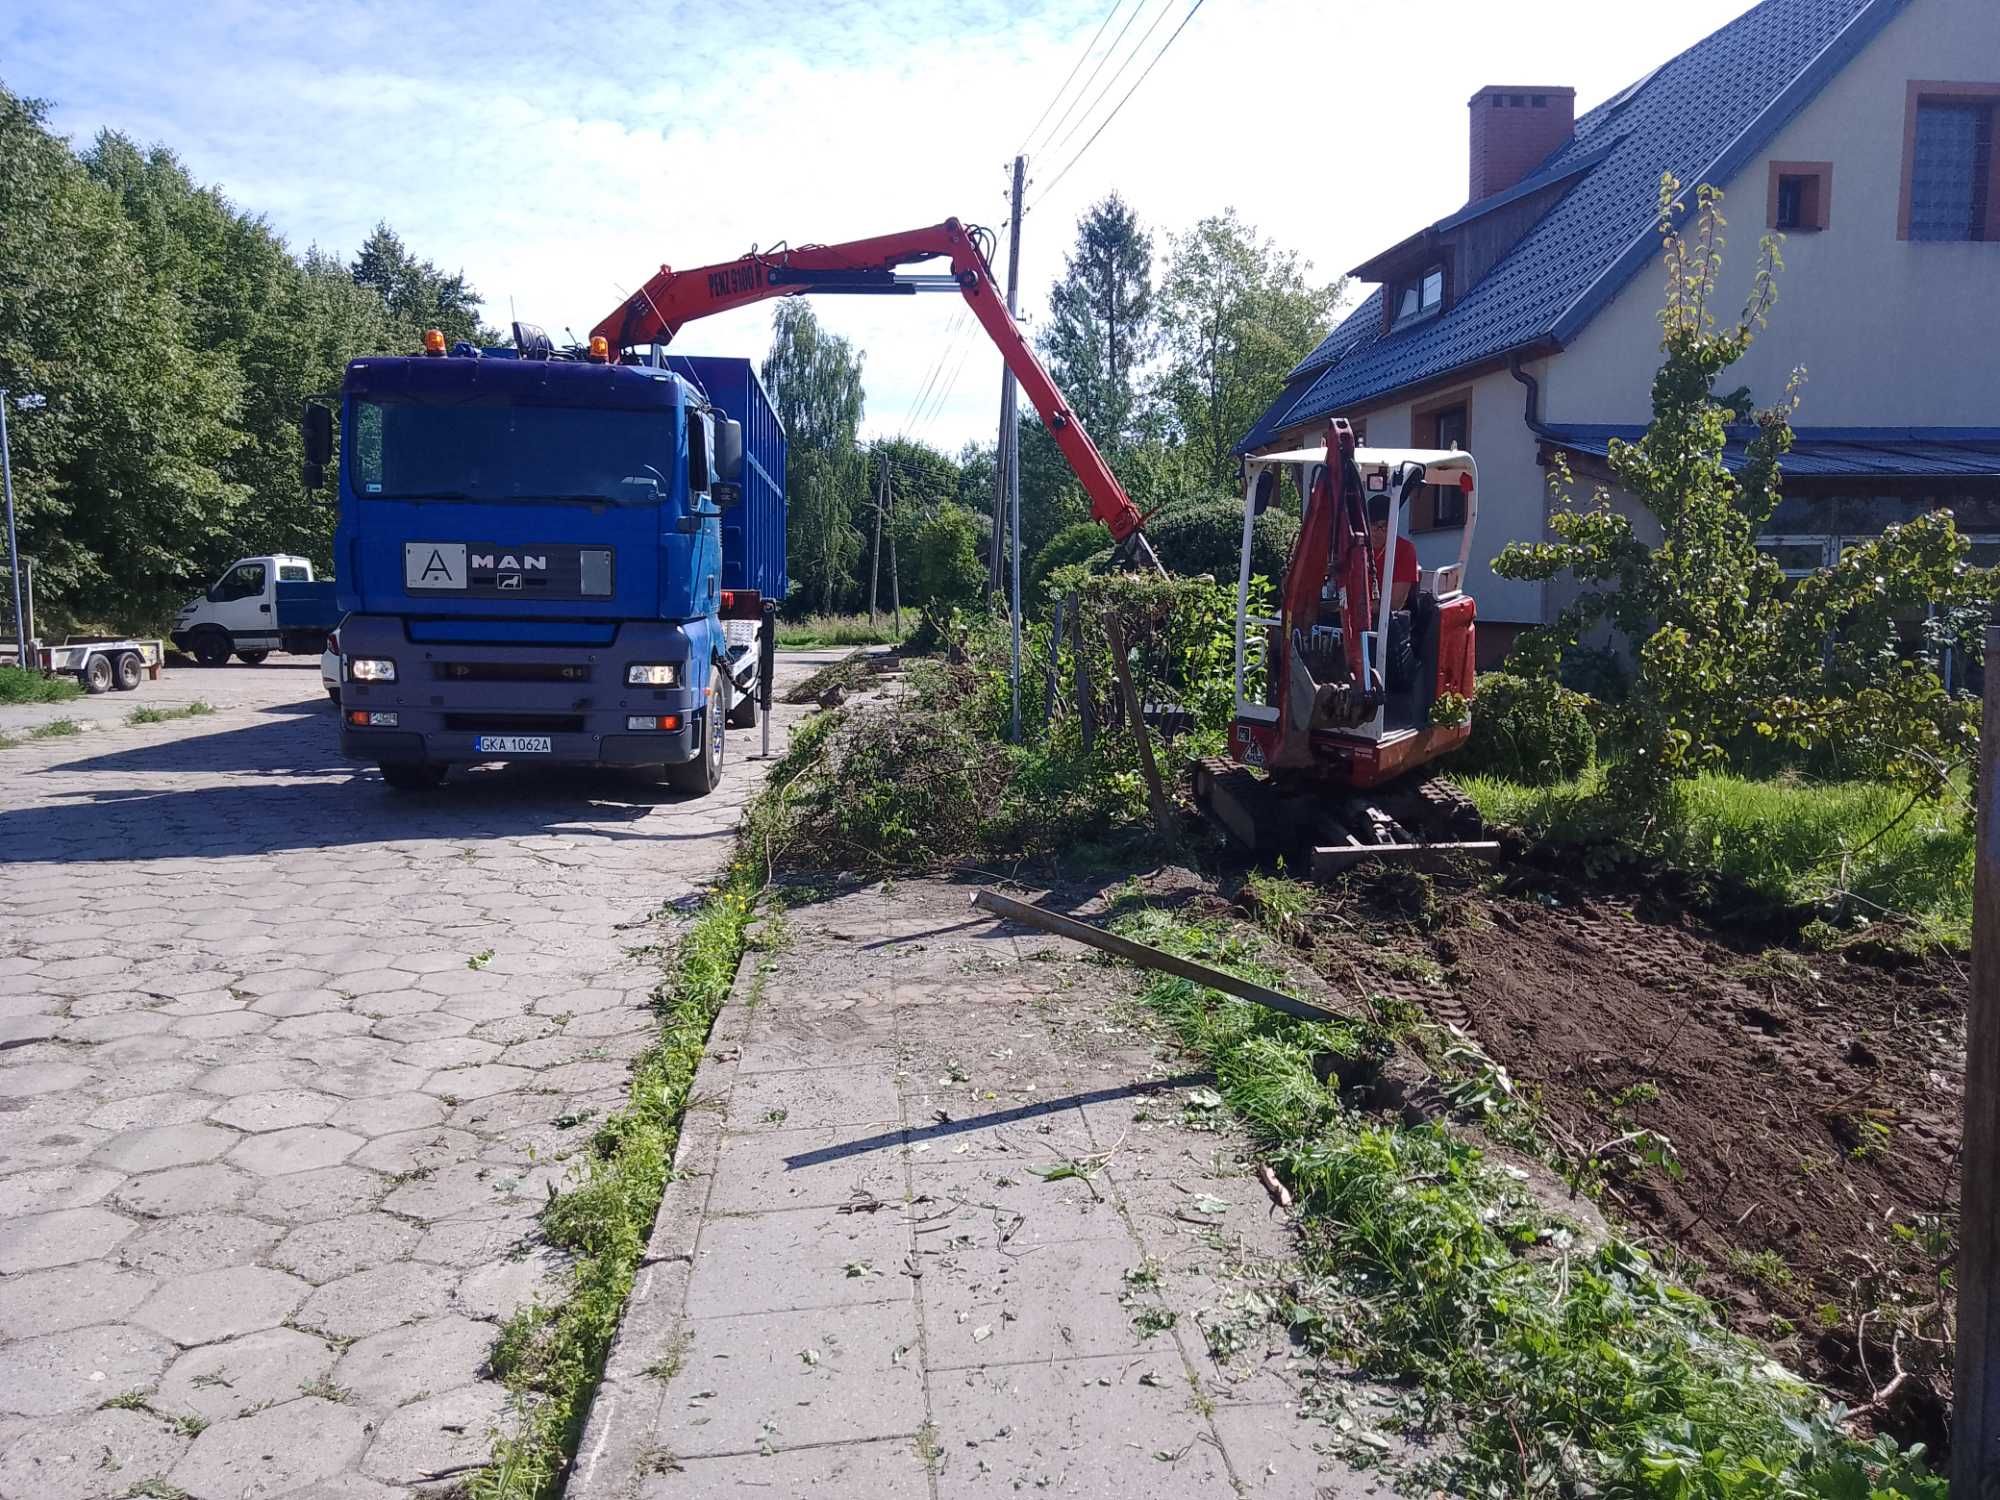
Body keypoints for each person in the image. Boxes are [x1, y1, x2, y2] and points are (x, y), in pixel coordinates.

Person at [1366, 492, 1419, 609]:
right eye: (1374, 525)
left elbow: (1395, 604)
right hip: (1356, 614)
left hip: (1389, 618)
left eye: (1384, 526)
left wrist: (1355, 609)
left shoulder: (1405, 550)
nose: (1378, 531)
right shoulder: (1357, 547)